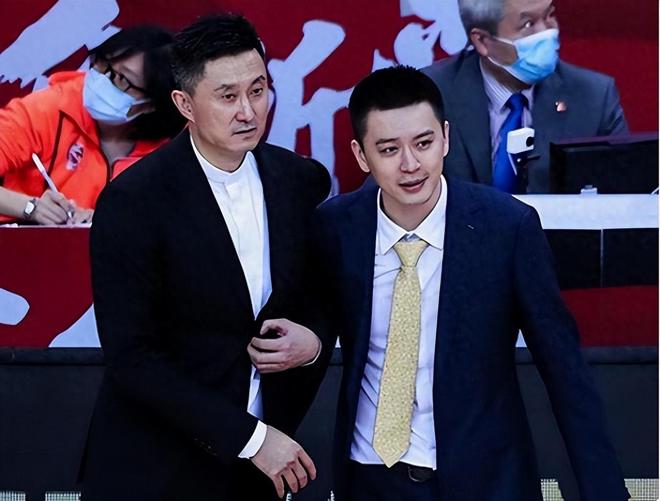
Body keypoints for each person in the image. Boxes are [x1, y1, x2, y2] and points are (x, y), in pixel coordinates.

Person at [265, 66, 629, 500]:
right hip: (369, 480)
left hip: (484, 483)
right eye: (388, 149)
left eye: (423, 143)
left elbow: (564, 370)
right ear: (361, 156)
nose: (410, 165)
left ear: (446, 138)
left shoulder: (505, 228)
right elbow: (323, 314)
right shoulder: (336, 226)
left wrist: (605, 491)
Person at [79, 14, 330, 500]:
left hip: (259, 473)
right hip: (154, 470)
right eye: (227, 96)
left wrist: (315, 341)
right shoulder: (134, 200)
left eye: (258, 90)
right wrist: (251, 439)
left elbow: (319, 292)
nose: (248, 112)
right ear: (184, 104)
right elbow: (132, 357)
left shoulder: (300, 181)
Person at [422, 0, 628, 193]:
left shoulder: (594, 97)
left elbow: (624, 195)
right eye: (528, 24)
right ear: (482, 41)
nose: (547, 32)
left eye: (549, 15)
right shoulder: (430, 94)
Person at [0, 25, 184, 224]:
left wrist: (104, 221)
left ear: (149, 104)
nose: (102, 80)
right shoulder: (46, 108)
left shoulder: (172, 149)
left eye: (121, 78)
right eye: (102, 64)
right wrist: (30, 207)